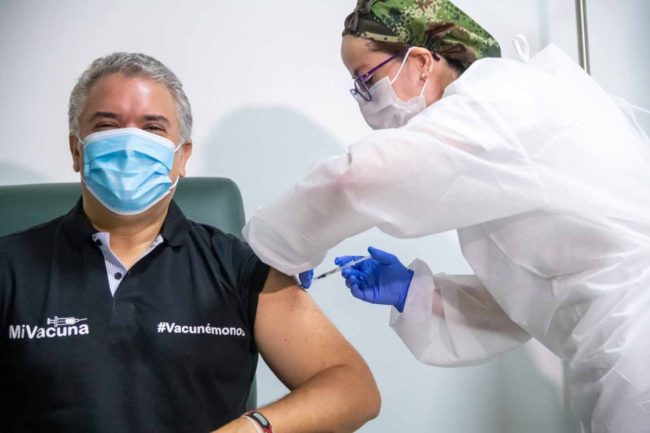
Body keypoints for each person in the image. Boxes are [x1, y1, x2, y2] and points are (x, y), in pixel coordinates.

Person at [242, 1, 650, 432]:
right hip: (618, 347)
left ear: (420, 62)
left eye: (366, 79)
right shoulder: (504, 120)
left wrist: (272, 250)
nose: (363, 98)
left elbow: (356, 179)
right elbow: (532, 299)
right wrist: (414, 293)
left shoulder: (497, 103)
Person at [0, 52, 381, 433]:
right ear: (76, 150)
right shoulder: (10, 266)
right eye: (107, 125)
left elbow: (352, 388)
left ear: (181, 156)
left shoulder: (238, 267)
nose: (130, 145)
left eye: (152, 128)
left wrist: (251, 428)